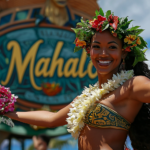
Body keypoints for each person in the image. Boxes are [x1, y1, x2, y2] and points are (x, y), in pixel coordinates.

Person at [4, 8, 150, 150]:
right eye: (97, 46)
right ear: (89, 51)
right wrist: (6, 111)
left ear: (123, 53)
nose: (103, 53)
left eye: (112, 47)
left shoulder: (132, 86)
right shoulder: (85, 98)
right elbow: (51, 119)